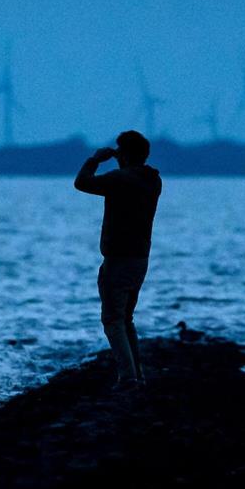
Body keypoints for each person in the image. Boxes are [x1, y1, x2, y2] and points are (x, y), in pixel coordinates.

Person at [74, 130, 161, 388]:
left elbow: (82, 182)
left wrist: (95, 159)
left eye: (119, 150)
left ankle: (128, 378)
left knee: (113, 319)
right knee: (126, 318)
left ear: (123, 154)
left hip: (119, 259)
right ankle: (137, 375)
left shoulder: (120, 179)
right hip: (140, 258)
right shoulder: (153, 181)